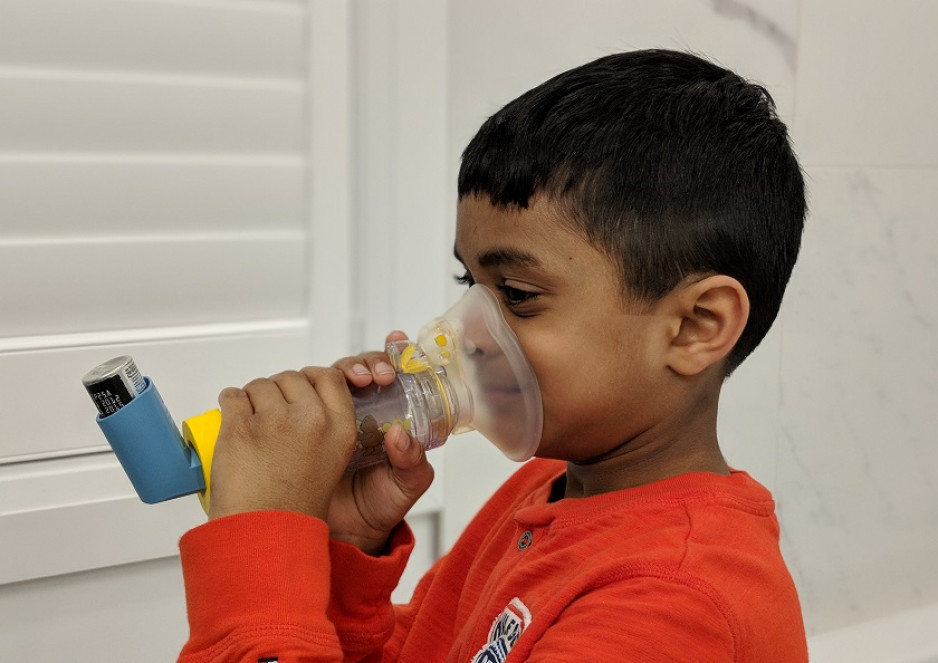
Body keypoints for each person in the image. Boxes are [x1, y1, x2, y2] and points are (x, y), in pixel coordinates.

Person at [177, 49, 808, 662]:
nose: (465, 334)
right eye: (470, 288)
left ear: (696, 326)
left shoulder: (672, 600)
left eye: (518, 294)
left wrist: (261, 546)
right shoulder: (544, 490)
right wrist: (343, 544)